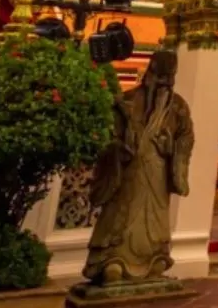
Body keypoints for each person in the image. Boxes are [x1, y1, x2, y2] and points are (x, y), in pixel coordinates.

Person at [83, 51, 195, 285]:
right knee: (121, 215)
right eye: (158, 75)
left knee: (155, 224)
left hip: (158, 174)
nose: (162, 82)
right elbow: (108, 139)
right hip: (129, 172)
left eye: (168, 77)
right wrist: (119, 149)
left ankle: (154, 257)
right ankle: (111, 258)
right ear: (149, 72)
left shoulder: (178, 108)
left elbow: (186, 139)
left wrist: (171, 148)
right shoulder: (128, 101)